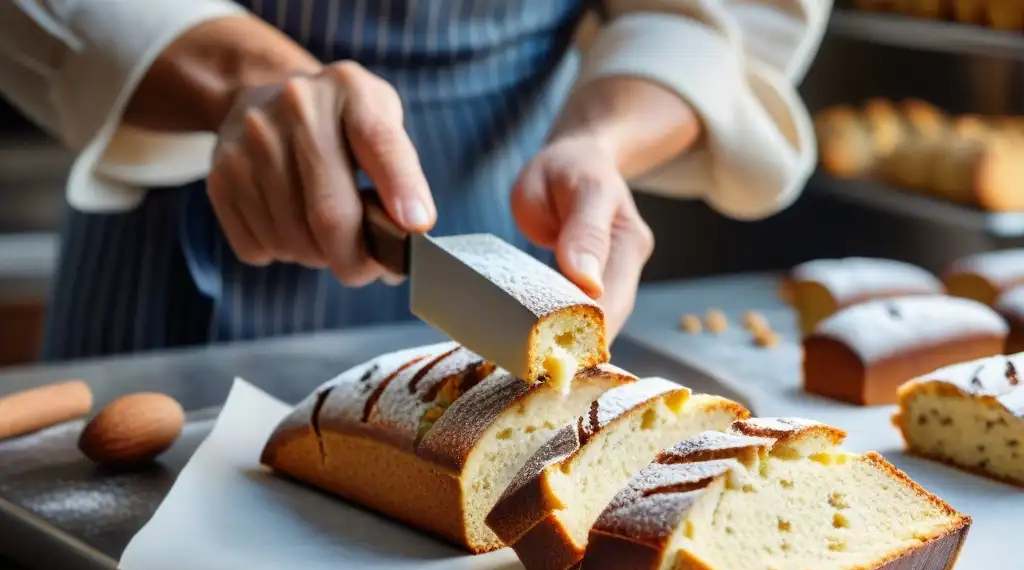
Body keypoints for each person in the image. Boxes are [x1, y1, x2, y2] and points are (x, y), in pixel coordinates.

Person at [0, 1, 828, 362]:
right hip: (170, 253)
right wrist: (235, 78)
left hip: (497, 242)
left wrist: (598, 142)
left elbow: (717, 18)